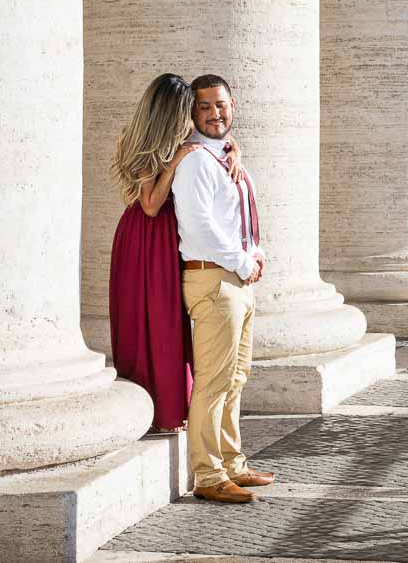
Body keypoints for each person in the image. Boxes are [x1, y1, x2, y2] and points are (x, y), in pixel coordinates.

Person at [108, 73, 242, 433]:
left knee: (171, 323)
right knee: (149, 319)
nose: (192, 119)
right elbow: (150, 204)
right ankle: (154, 409)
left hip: (166, 238)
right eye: (186, 111)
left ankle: (172, 404)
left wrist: (234, 151)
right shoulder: (141, 142)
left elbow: (220, 140)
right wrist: (175, 161)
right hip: (145, 239)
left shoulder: (181, 139)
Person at [172, 73, 274, 503]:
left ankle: (232, 463)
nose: (216, 114)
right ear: (193, 113)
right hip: (213, 278)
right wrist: (240, 261)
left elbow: (237, 218)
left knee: (237, 377)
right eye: (206, 107)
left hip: (236, 279)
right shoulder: (195, 161)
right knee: (213, 382)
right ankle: (208, 475)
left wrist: (256, 251)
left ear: (233, 105)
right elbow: (199, 227)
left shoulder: (225, 156)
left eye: (222, 104)